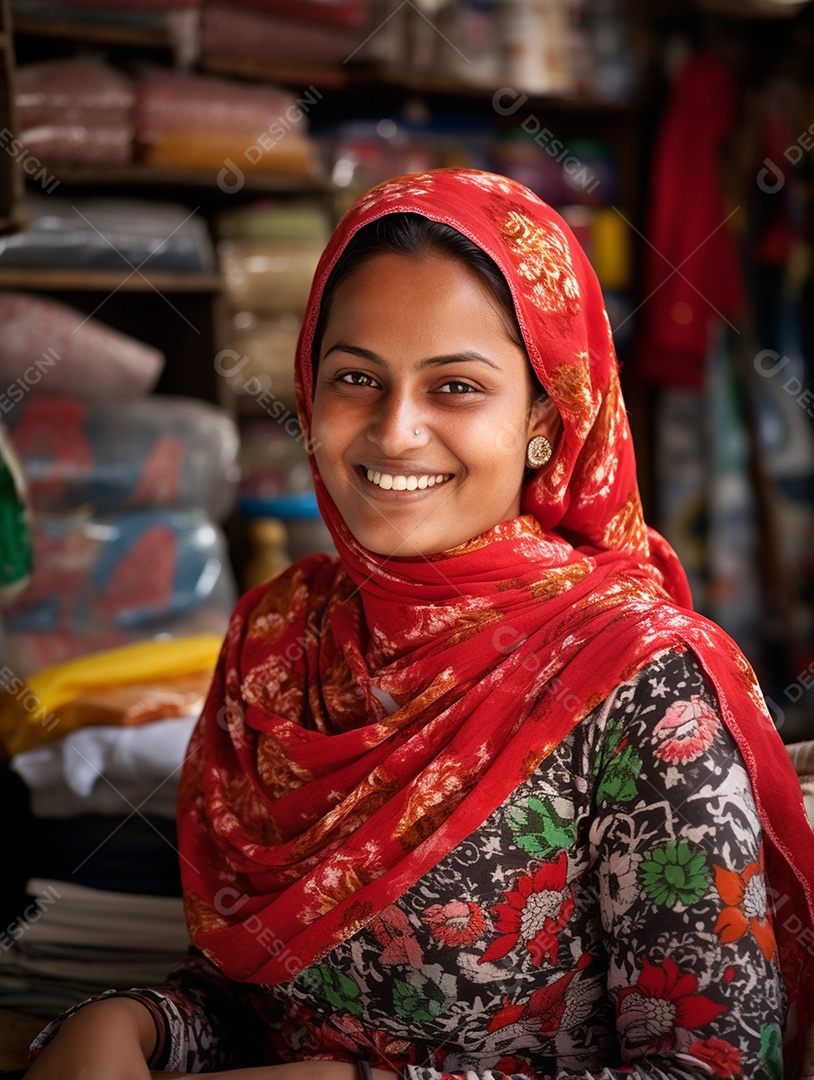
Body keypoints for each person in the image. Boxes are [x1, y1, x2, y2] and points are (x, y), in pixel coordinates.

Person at [24, 168, 814, 1080]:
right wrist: (138, 1025)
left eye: (456, 388)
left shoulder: (640, 681)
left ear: (547, 424)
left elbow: (712, 1071)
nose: (395, 431)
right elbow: (257, 1005)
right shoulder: (278, 641)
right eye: (357, 377)